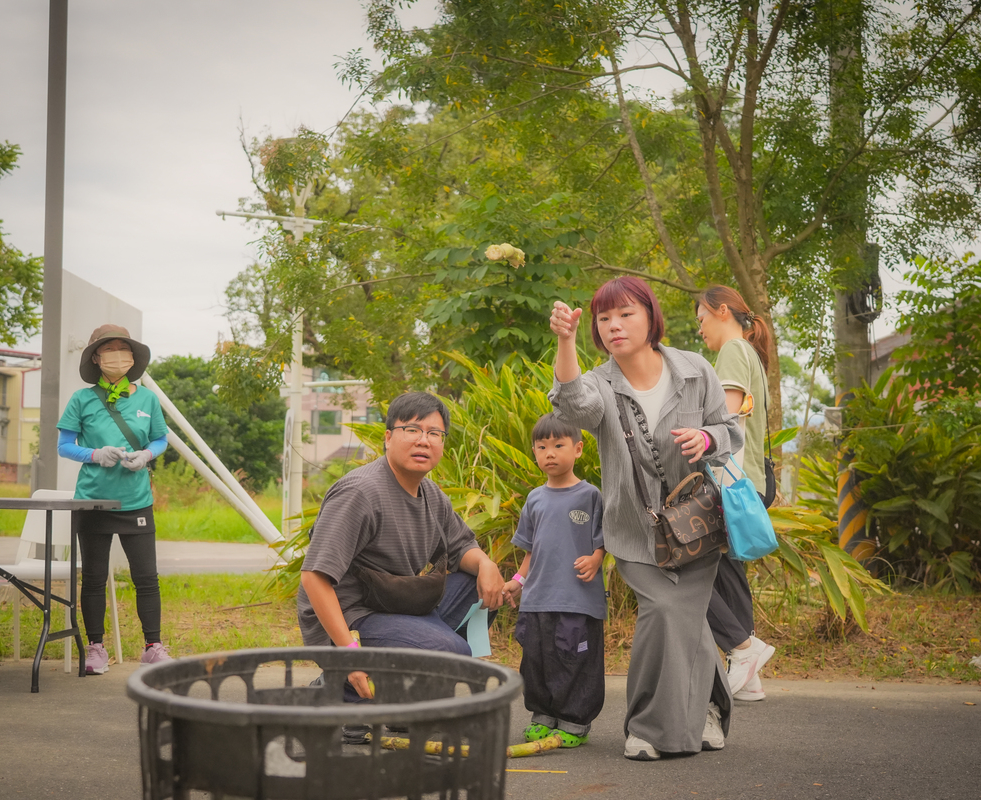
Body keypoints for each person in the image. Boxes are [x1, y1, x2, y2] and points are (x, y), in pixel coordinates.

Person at [548, 276, 742, 761]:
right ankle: (654, 727)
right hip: (634, 529)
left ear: (650, 317)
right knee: (665, 613)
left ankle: (700, 713)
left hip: (697, 523)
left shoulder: (695, 370)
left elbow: (730, 429)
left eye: (626, 314)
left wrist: (708, 440)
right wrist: (565, 342)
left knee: (687, 619)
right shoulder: (597, 383)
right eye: (604, 318)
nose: (614, 325)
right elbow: (572, 406)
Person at [297, 391, 506, 740]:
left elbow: (461, 547)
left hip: (393, 601)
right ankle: (339, 690)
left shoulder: (430, 494)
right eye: (412, 429)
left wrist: (486, 564)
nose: (424, 440)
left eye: (434, 433)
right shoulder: (360, 492)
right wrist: (348, 653)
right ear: (388, 437)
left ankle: (399, 699)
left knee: (481, 589)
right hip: (351, 615)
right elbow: (314, 578)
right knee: (450, 652)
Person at [57, 324, 171, 674]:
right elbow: (65, 446)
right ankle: (95, 648)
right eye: (110, 349)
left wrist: (147, 456)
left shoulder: (148, 398)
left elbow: (160, 439)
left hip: (136, 500)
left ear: (133, 357)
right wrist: (94, 455)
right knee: (92, 577)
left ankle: (153, 646)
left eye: (124, 348)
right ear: (96, 357)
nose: (118, 355)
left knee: (146, 577)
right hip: (92, 501)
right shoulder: (82, 399)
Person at [502, 413, 606, 749]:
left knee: (574, 660)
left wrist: (596, 558)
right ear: (534, 451)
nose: (550, 453)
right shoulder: (534, 499)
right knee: (536, 659)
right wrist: (518, 581)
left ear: (577, 449)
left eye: (558, 445)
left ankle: (575, 721)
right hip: (537, 599)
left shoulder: (590, 496)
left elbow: (603, 539)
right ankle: (543, 716)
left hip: (577, 599)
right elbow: (531, 552)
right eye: (542, 446)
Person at [696, 285, 778, 702]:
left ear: (722, 310)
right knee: (728, 569)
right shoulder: (748, 353)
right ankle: (748, 671)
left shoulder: (731, 351)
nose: (700, 330)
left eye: (701, 319)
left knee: (688, 569)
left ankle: (743, 649)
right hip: (750, 480)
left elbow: (724, 423)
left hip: (731, 481)